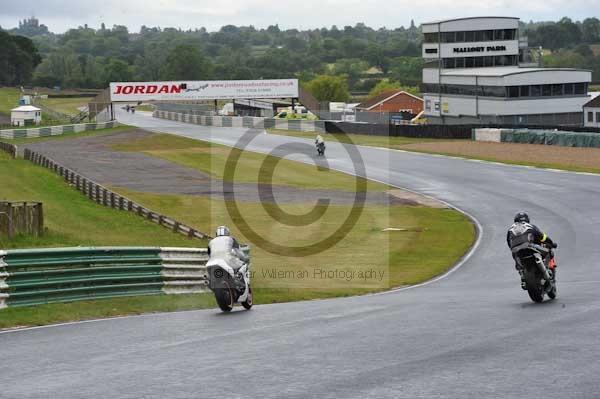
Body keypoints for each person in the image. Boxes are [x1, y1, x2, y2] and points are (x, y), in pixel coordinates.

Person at [506, 212, 558, 288]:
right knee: (549, 250)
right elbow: (541, 236)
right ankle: (548, 271)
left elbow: (509, 242)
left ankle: (522, 276)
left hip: (516, 250)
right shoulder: (529, 226)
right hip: (530, 246)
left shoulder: (510, 229)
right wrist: (551, 243)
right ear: (527, 219)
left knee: (516, 258)